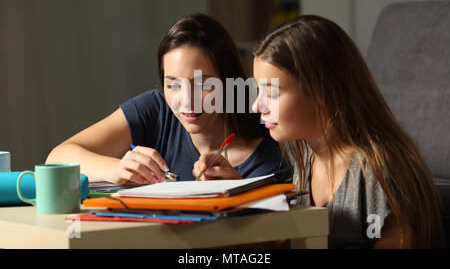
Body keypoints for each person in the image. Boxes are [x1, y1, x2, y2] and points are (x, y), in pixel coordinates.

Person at [251, 15, 443, 248]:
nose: (257, 106)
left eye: (272, 93)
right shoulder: (304, 160)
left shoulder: (378, 172)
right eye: (258, 91)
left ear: (320, 90)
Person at [46, 14, 290, 184]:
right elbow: (57, 158)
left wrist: (240, 195)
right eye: (173, 84)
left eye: (203, 84)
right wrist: (117, 168)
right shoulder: (155, 108)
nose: (186, 101)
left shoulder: (269, 156)